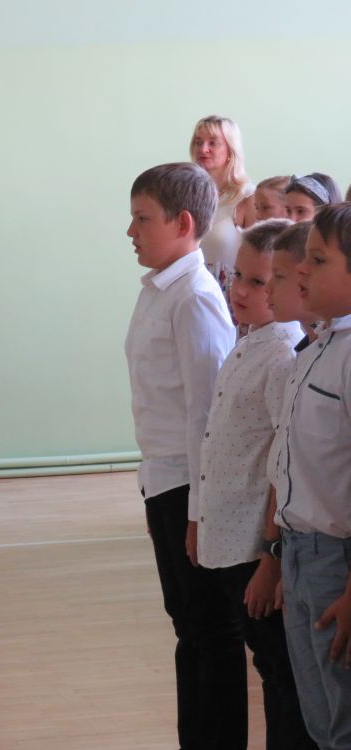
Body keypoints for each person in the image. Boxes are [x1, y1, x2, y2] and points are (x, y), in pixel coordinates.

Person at [124, 162, 243, 748]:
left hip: (188, 488)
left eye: (142, 219)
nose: (131, 231)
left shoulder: (194, 298)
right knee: (188, 624)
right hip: (164, 481)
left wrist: (200, 512)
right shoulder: (160, 289)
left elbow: (208, 417)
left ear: (184, 223)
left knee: (209, 629)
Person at [196, 218, 315, 749]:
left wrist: (270, 556)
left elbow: (281, 464)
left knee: (279, 670)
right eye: (237, 276)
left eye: (259, 281)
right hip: (231, 538)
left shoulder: (284, 354)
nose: (239, 290)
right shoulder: (251, 342)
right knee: (267, 664)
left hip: (255, 544)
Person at [272, 203, 351, 748]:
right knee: (320, 721)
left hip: (337, 564)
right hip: (300, 554)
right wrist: (278, 555)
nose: (302, 267)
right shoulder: (314, 351)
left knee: (344, 723)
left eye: (319, 260)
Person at [189, 115, 255, 296]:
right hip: (191, 291)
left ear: (230, 150)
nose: (203, 149)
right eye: (198, 142)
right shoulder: (190, 195)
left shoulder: (247, 197)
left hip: (231, 296)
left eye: (213, 143)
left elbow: (260, 256)